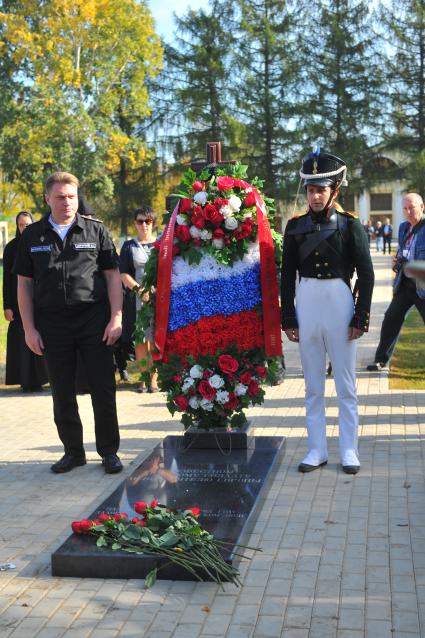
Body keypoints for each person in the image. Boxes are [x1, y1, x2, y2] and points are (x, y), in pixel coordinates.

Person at [14, 171, 123, 474]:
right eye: (60, 197)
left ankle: (109, 452)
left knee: (103, 389)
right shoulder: (32, 236)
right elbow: (23, 285)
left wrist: (116, 317)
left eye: (72, 196)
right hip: (53, 324)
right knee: (62, 391)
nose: (67, 202)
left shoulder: (95, 231)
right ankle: (73, 453)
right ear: (47, 198)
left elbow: (113, 276)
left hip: (93, 320)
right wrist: (29, 328)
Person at [281, 148, 374, 475]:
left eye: (321, 189)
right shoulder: (294, 227)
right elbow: (287, 274)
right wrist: (288, 316)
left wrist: (360, 316)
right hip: (307, 300)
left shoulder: (351, 226)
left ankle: (349, 448)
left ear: (335, 190)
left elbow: (367, 272)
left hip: (338, 299)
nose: (315, 196)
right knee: (312, 384)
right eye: (310, 189)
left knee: (346, 384)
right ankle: (316, 448)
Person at [366, 193, 425, 372]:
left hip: (422, 286)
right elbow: (403, 251)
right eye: (405, 209)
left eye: (412, 208)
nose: (408, 212)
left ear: (422, 207)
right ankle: (381, 360)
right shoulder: (403, 228)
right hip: (405, 286)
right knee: (391, 319)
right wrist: (398, 260)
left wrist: (409, 264)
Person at [3, 211, 48, 392]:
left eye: (28, 224)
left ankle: (41, 377)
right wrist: (7, 306)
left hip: (39, 301)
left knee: (39, 337)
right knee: (22, 340)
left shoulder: (39, 244)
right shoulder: (11, 248)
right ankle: (25, 380)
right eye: (22, 225)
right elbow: (7, 279)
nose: (25, 228)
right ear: (17, 226)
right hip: (17, 302)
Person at [119, 206, 158, 393]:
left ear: (153, 223)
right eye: (140, 221)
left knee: (157, 339)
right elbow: (123, 274)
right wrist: (139, 289)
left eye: (147, 221)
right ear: (135, 224)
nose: (144, 225)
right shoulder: (128, 246)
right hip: (137, 298)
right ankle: (143, 378)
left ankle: (154, 380)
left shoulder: (161, 245)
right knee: (142, 339)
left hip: (160, 297)